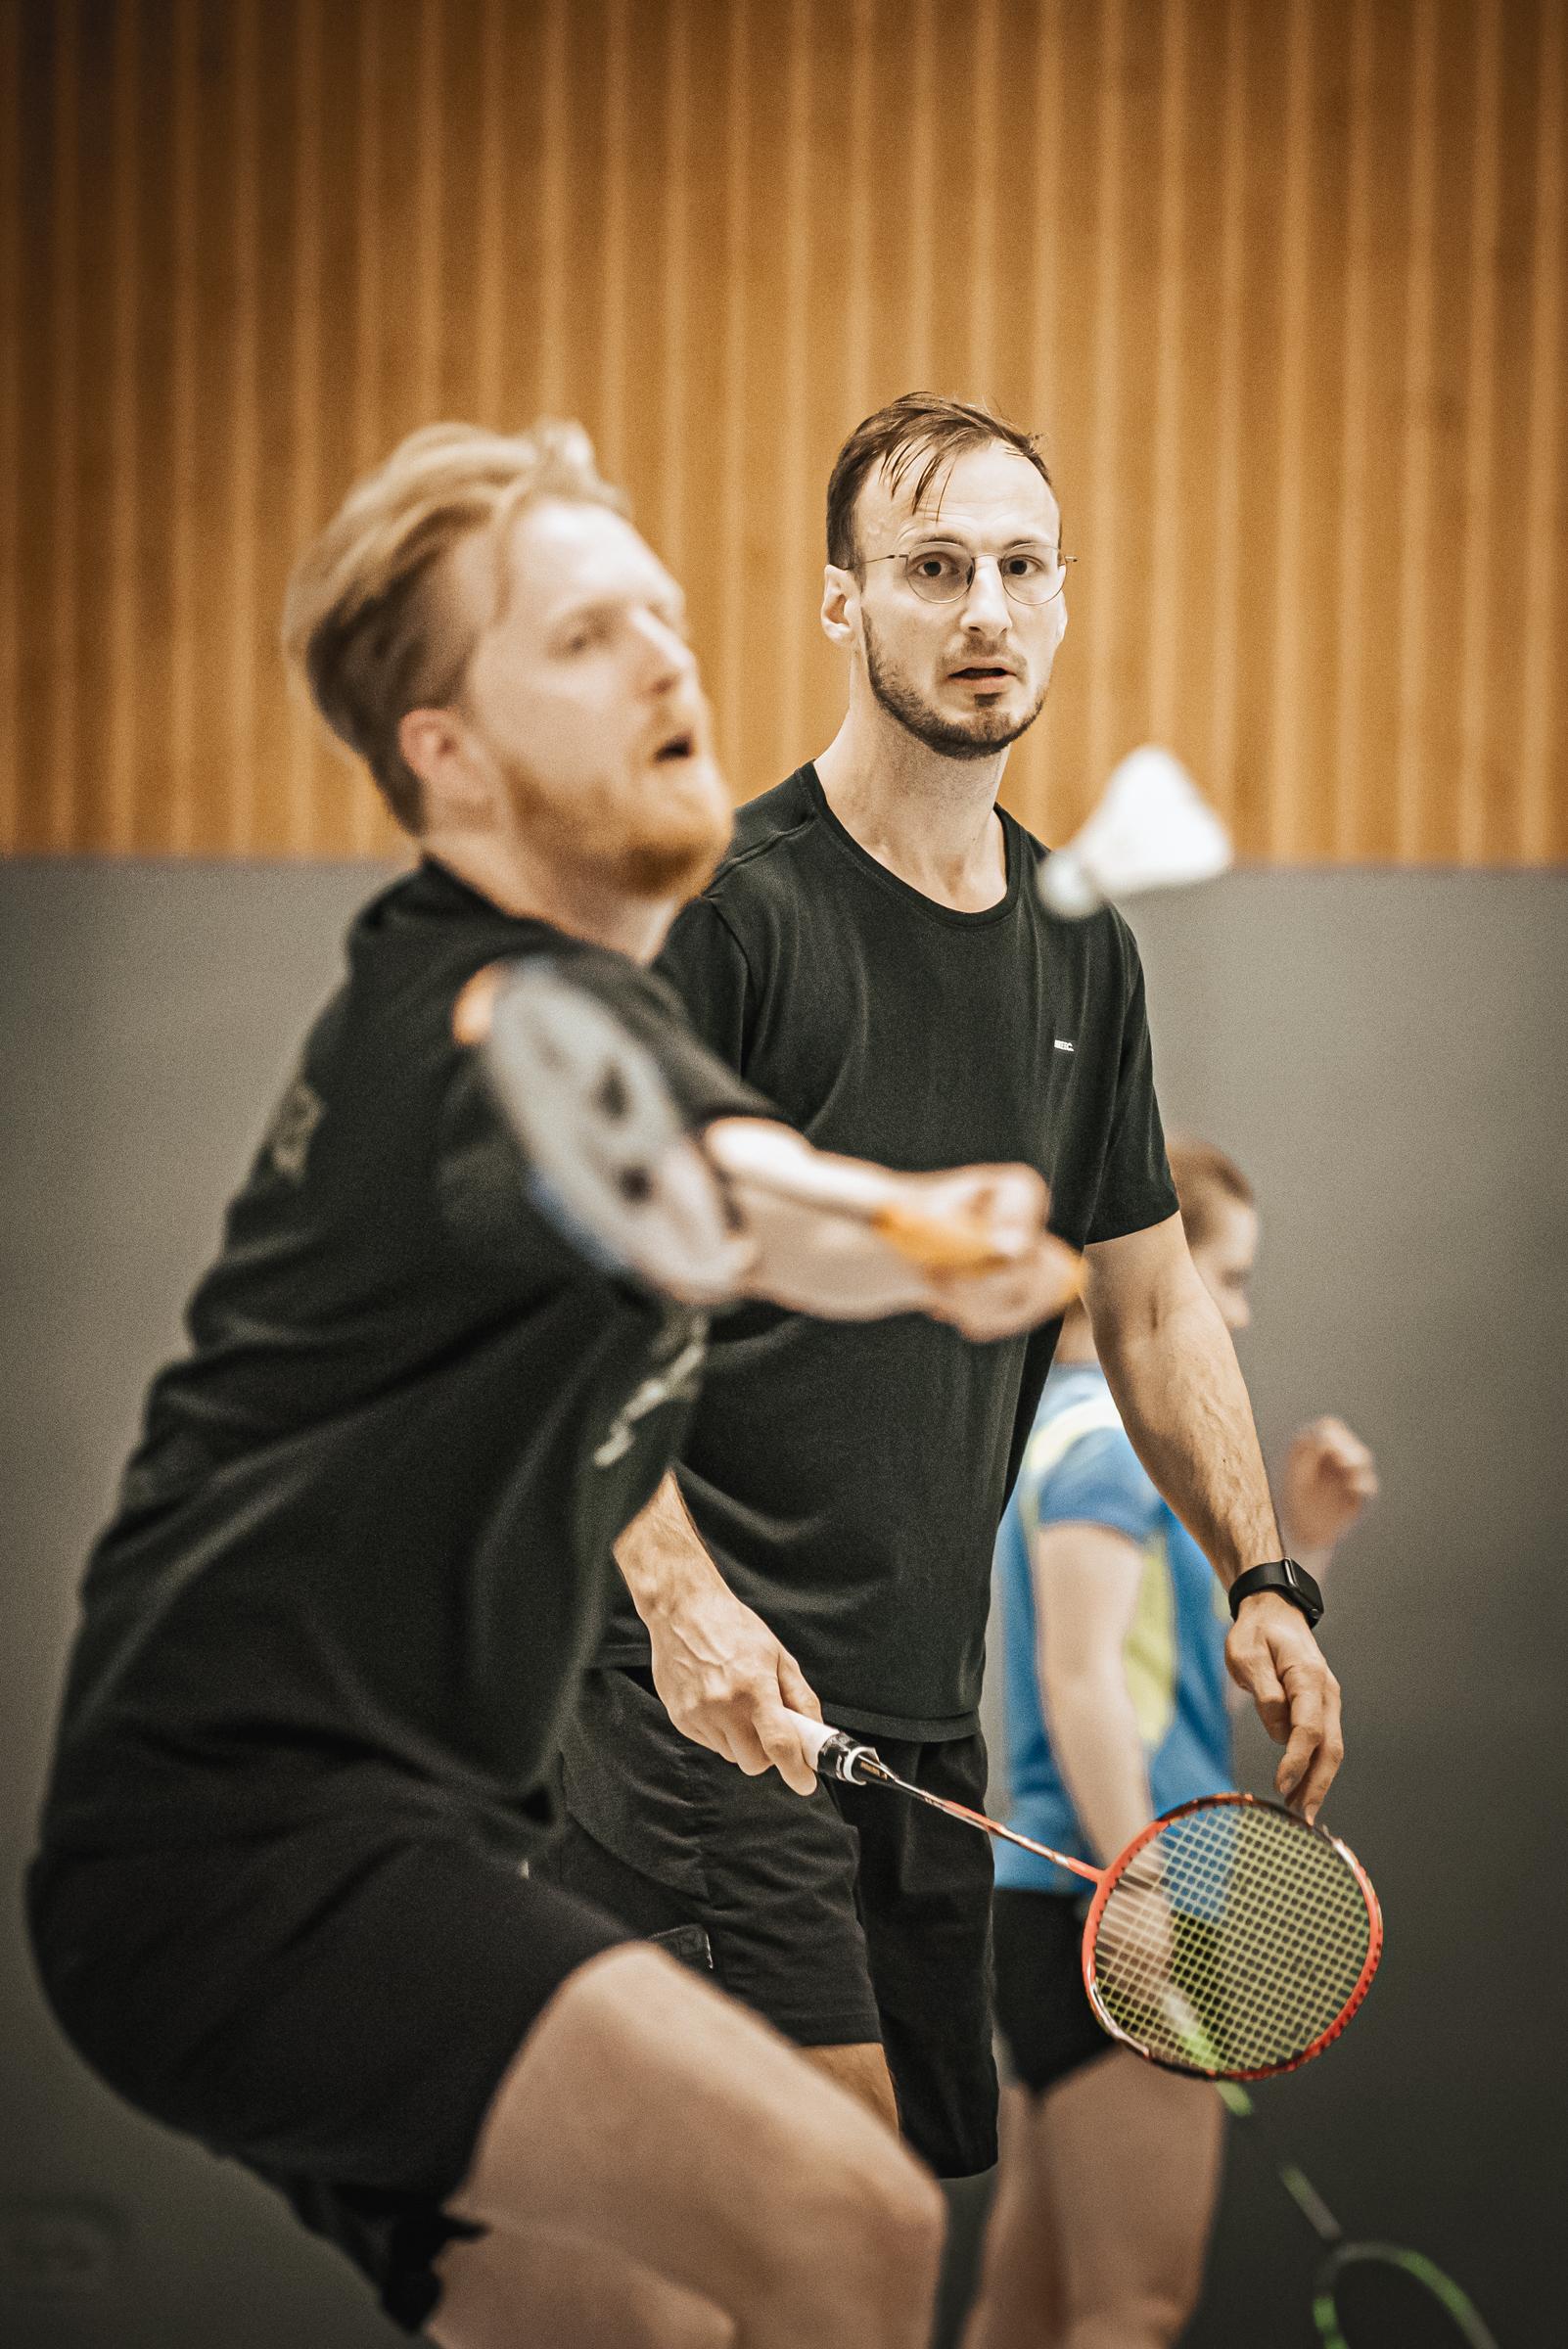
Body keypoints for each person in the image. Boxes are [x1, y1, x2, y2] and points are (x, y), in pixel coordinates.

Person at [24, 419, 1080, 2349]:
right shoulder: (510, 1014)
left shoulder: (538, 1006)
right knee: (849, 2220)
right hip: (257, 1857)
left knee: (638, 2330)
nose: (669, 659)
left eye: (666, 617)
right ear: (448, 751)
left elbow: (673, 1258)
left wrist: (694, 1625)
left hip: (314, 1854)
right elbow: (730, 1200)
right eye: (585, 639)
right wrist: (924, 1228)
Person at [537, 394, 1346, 2189]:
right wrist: (676, 1602)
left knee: (825, 2240)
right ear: (841, 605)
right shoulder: (727, 917)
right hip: (694, 1713)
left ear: (1061, 600)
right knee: (830, 2243)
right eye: (930, 568)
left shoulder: (1081, 940)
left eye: (1016, 567)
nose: (982, 608)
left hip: (910, 1726)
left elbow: (1143, 1307)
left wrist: (1262, 1574)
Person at [969, 1138, 1378, 2349]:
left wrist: (1298, 1547)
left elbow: (1155, 1662)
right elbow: (1083, 1676)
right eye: (1224, 1280)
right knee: (1133, 2311)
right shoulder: (1114, 1447)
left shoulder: (1045, 1424)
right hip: (1129, 1892)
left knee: (1031, 2307)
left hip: (1045, 1901)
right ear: (1152, 1267)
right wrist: (1143, 1884)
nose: (1237, 1313)